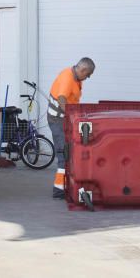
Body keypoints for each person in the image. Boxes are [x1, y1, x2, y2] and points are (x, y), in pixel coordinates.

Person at [47, 57, 96, 199]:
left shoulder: (76, 79)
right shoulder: (68, 78)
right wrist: (70, 116)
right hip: (57, 120)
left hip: (63, 119)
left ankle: (67, 184)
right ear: (83, 70)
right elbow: (62, 98)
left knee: (69, 152)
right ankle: (59, 190)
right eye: (87, 75)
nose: (87, 78)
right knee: (63, 153)